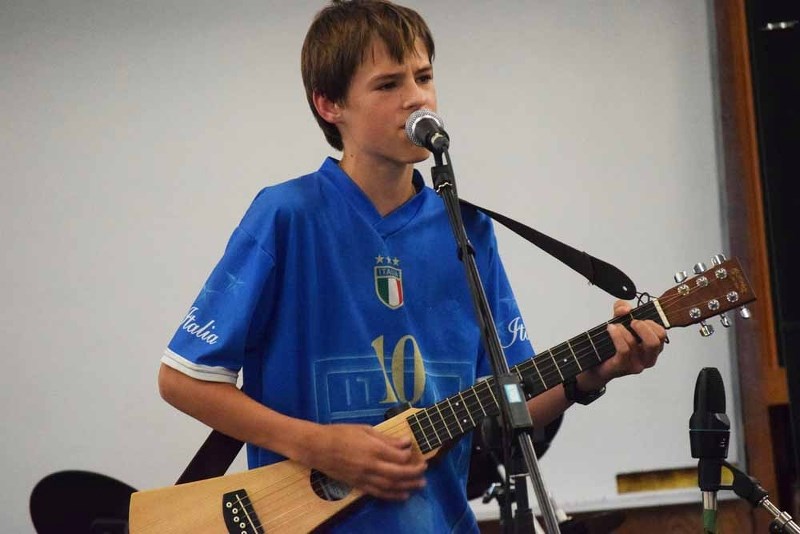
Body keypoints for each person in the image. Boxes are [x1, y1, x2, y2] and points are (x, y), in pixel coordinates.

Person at [157, 1, 667, 532]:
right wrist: (318, 445)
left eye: (424, 77)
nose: (417, 97)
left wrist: (594, 371)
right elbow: (183, 380)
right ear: (330, 104)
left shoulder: (467, 231)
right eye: (388, 84)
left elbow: (509, 398)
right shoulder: (287, 216)